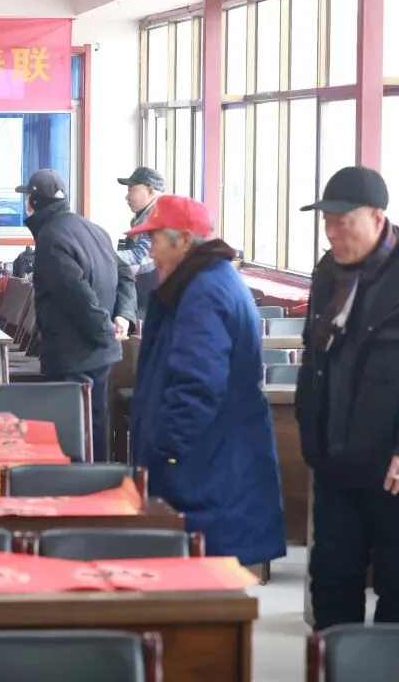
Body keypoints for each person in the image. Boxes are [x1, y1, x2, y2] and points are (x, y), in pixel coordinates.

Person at [128, 194, 286, 569]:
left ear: (183, 240)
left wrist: (164, 452)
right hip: (208, 463)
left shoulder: (204, 292)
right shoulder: (202, 282)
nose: (151, 253)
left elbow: (197, 387)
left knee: (203, 584)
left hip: (204, 471)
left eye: (155, 240)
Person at [296, 166, 399, 629]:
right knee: (332, 583)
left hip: (391, 469)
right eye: (327, 222)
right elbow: (315, 357)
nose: (333, 233)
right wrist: (309, 428)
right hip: (334, 458)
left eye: (343, 222)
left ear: (377, 217)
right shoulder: (328, 272)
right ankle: (334, 663)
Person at [20, 169, 135, 461]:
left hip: (72, 353)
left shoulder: (50, 237)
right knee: (95, 429)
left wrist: (106, 330)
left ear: (32, 202)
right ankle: (99, 485)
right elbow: (125, 275)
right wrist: (122, 317)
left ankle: (80, 487)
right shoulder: (94, 230)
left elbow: (76, 295)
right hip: (101, 352)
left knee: (72, 439)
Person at [116, 166, 165, 320]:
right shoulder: (142, 217)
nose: (127, 197)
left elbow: (142, 258)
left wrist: (104, 257)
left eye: (131, 190)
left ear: (150, 191)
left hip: (153, 300)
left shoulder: (158, 216)